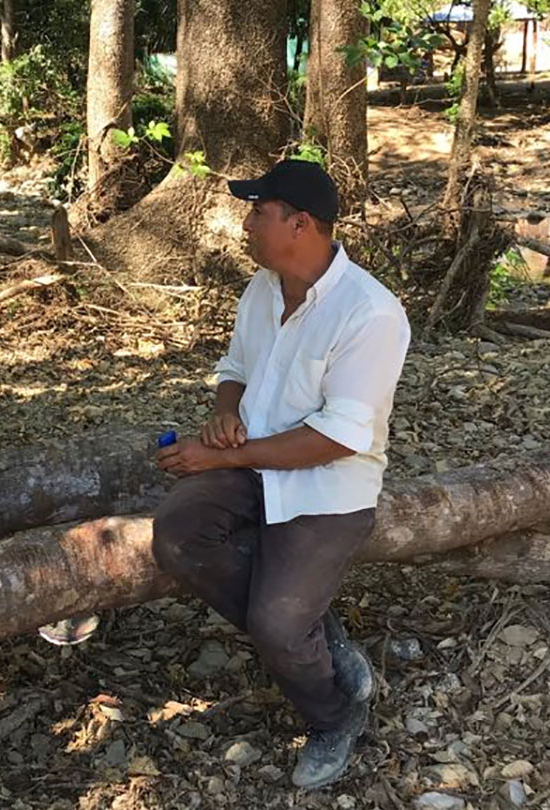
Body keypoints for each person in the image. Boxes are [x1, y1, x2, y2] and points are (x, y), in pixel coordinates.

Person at [151, 159, 410, 790]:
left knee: (275, 626)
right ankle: (314, 631)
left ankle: (334, 716)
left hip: (330, 484)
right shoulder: (264, 288)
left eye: (257, 212)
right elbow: (234, 366)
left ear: (301, 224)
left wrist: (222, 457)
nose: (245, 224)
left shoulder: (371, 314)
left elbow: (335, 438)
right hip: (255, 459)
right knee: (176, 535)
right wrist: (224, 414)